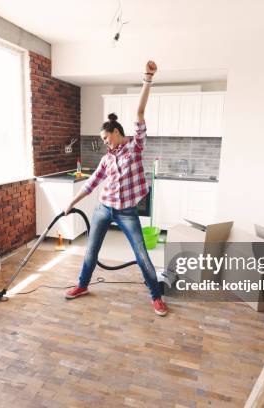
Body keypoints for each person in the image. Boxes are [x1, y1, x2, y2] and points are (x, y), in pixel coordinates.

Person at [62, 60, 168, 316]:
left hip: (126, 212)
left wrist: (147, 78)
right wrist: (71, 203)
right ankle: (82, 285)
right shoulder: (106, 159)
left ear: (116, 131)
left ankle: (156, 296)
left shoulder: (134, 148)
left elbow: (140, 113)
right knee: (91, 249)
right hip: (103, 209)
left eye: (106, 138)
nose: (106, 143)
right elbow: (91, 184)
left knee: (141, 254)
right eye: (103, 141)